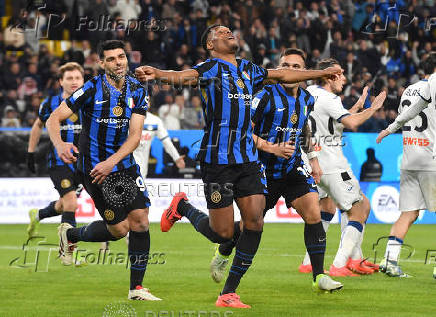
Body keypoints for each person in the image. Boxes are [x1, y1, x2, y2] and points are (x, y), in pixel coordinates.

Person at [135, 24, 341, 308]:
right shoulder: (209, 69)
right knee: (223, 233)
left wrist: (321, 73)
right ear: (210, 44)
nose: (229, 32)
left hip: (248, 160)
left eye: (230, 30)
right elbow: (183, 77)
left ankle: (228, 292)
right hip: (217, 161)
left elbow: (283, 74)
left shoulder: (249, 69)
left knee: (254, 223)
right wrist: (158, 74)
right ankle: (182, 207)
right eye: (221, 32)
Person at [210, 48, 343, 292]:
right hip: (260, 171)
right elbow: (242, 130)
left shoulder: (307, 99)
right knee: (251, 224)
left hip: (292, 169)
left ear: (303, 72)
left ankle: (319, 276)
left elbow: (304, 129)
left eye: (295, 66)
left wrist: (313, 159)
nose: (289, 70)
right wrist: (271, 148)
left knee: (314, 212)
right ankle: (225, 248)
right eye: (285, 65)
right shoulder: (264, 96)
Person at [46, 40, 160, 301]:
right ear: (101, 63)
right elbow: (54, 118)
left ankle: (136, 289)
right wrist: (60, 143)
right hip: (95, 169)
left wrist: (114, 161)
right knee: (120, 230)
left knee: (141, 220)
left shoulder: (138, 90)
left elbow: (135, 136)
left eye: (121, 57)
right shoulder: (90, 89)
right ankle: (70, 233)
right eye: (111, 59)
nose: (118, 62)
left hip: (123, 166)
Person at [300, 58, 386, 276]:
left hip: (312, 161)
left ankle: (312, 261)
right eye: (341, 74)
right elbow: (352, 123)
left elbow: (332, 120)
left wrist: (358, 105)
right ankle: (340, 264)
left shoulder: (309, 92)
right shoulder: (330, 98)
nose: (345, 79)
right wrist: (374, 108)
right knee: (360, 208)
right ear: (330, 76)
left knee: (327, 207)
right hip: (332, 163)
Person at [376, 53, 436, 277]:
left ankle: (390, 260)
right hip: (431, 157)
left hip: (410, 157)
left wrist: (389, 129)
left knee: (408, 213)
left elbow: (406, 116)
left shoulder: (409, 90)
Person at [26, 63, 84, 260]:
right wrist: (30, 153)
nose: (74, 81)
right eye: (69, 78)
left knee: (64, 204)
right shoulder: (50, 103)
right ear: (61, 82)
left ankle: (39, 214)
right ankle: (67, 251)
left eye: (77, 78)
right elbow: (37, 126)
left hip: (82, 164)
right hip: (58, 162)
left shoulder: (90, 102)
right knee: (71, 201)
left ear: (83, 81)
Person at [133, 111, 185, 178]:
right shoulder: (126, 119)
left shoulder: (155, 120)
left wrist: (176, 157)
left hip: (142, 167)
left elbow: (166, 142)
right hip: (124, 163)